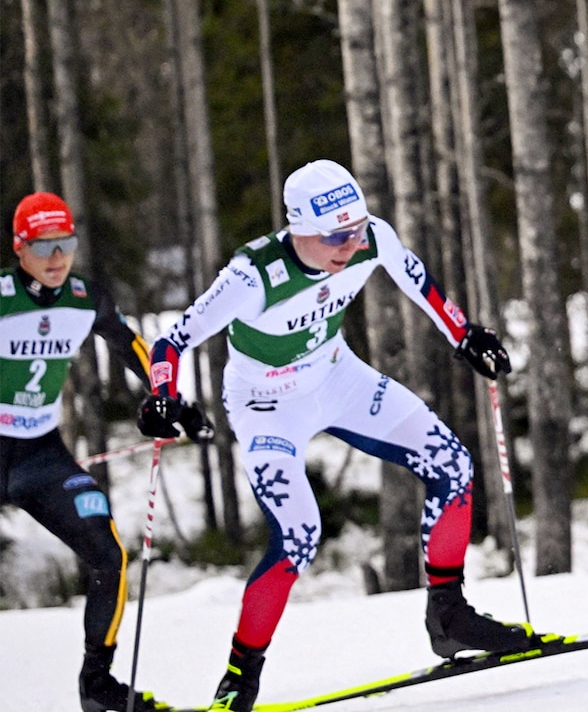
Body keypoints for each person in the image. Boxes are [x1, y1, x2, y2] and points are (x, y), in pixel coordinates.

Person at [138, 160, 525, 712]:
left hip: (337, 377)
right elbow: (171, 342)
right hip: (267, 406)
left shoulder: (370, 240)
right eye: (336, 236)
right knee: (299, 534)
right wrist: (162, 397)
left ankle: (449, 615)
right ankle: (238, 679)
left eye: (358, 228)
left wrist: (466, 336)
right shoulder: (252, 276)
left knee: (453, 465)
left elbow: (418, 281)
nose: (352, 244)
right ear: (297, 228)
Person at [0, 192, 205, 712]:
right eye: (43, 247)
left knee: (107, 553)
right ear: (19, 247)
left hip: (40, 457)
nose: (56, 258)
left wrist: (169, 402)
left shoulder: (85, 296)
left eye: (64, 244)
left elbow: (131, 344)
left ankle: (98, 685)